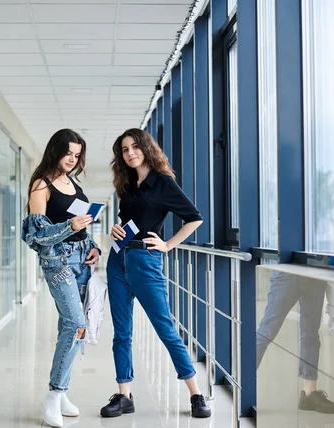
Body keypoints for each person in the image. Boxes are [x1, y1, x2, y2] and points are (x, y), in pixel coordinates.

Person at [100, 128, 211, 419]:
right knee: (121, 333)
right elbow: (128, 219)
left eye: (135, 147)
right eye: (124, 149)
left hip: (146, 261)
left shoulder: (163, 183)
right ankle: (124, 396)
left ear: (147, 148)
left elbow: (194, 218)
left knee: (165, 329)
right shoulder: (126, 183)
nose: (130, 153)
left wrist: (168, 245)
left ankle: (196, 394)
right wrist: (116, 227)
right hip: (118, 260)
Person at [21, 128, 101, 428]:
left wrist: (92, 246)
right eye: (68, 153)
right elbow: (36, 235)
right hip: (58, 263)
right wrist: (69, 227)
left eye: (77, 155)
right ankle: (53, 396)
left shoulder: (72, 182)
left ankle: (62, 389)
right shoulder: (41, 186)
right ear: (55, 151)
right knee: (76, 324)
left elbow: (82, 226)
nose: (72, 159)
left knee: (71, 329)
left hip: (82, 259)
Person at [256, 272, 334, 414]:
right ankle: (241, 385)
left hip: (315, 271)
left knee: (311, 334)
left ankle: (309, 394)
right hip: (288, 271)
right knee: (267, 331)